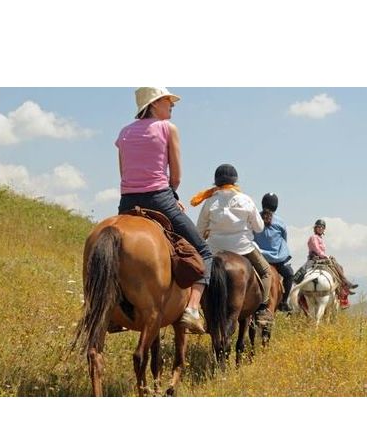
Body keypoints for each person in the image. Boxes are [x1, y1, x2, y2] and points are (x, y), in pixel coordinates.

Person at [115, 87, 212, 334]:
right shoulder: (168, 129)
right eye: (168, 101)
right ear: (155, 103)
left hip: (127, 202)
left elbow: (123, 173)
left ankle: (114, 312)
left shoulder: (124, 133)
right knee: (204, 251)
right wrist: (173, 196)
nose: (172, 105)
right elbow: (176, 176)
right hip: (159, 199)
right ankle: (191, 309)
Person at [192, 164, 274, 325]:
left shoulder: (209, 202)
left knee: (194, 273)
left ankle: (191, 307)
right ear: (235, 181)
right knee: (266, 272)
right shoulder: (246, 199)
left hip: (215, 249)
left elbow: (199, 231)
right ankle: (263, 308)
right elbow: (259, 227)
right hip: (243, 248)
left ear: (216, 182)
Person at [297, 219, 358, 308]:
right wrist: (326, 256)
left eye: (322, 227)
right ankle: (298, 298)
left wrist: (326, 257)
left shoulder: (320, 238)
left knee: (338, 266)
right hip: (313, 260)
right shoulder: (313, 237)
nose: (320, 228)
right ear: (315, 228)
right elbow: (317, 249)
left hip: (321, 259)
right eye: (319, 227)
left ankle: (343, 288)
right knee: (299, 277)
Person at [253, 193, 295, 312]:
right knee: (289, 274)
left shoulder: (255, 218)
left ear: (262, 204)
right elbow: (284, 240)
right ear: (276, 206)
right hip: (276, 260)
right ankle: (284, 302)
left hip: (258, 258)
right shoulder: (280, 222)